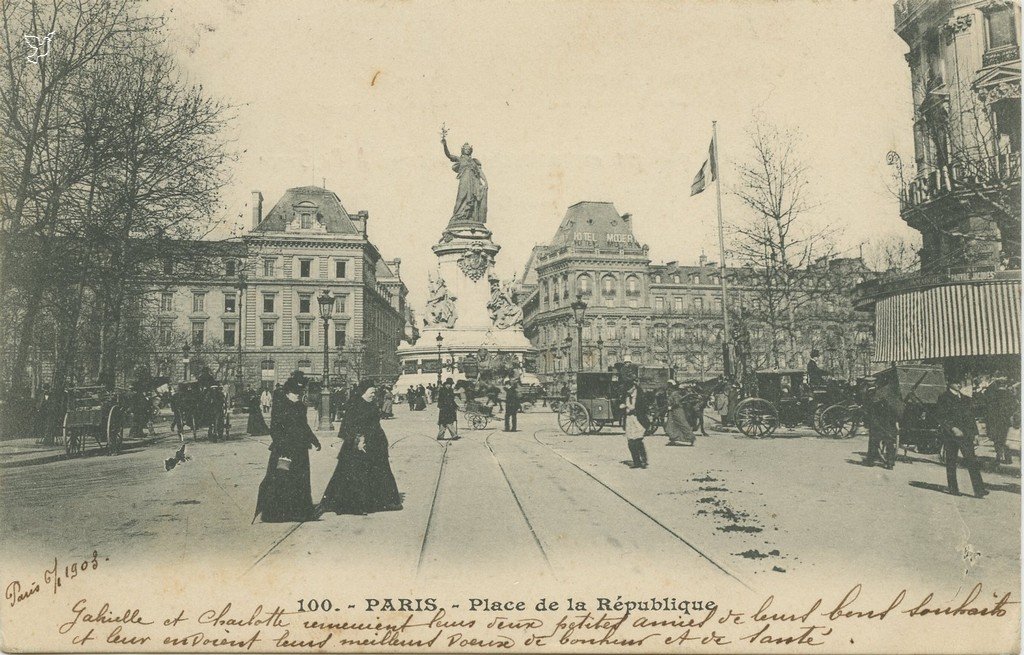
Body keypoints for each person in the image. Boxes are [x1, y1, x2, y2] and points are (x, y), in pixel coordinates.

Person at [319, 381, 402, 515]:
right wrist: (357, 439)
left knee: (379, 471)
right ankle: (354, 503)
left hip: (375, 443)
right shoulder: (355, 406)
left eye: (374, 393)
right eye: (371, 392)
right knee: (354, 473)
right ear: (363, 392)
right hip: (357, 444)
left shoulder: (372, 405)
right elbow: (349, 425)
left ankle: (380, 501)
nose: (373, 395)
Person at [253, 373, 322, 523]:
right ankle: (276, 513)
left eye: (301, 393)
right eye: (296, 393)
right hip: (284, 450)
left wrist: (314, 440)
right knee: (281, 479)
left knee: (300, 479)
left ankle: (299, 512)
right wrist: (282, 445)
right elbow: (275, 429)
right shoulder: (280, 405)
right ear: (288, 392)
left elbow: (304, 426)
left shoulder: (300, 406)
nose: (299, 396)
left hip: (300, 449)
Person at [935, 378, 987, 498]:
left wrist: (975, 434)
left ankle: (979, 490)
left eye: (960, 382)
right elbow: (941, 416)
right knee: (951, 461)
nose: (959, 384)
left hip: (966, 435)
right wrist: (952, 428)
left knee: (972, 461)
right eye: (956, 382)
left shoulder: (965, 399)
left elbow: (970, 418)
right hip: (951, 435)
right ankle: (953, 488)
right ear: (949, 383)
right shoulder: (943, 398)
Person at [982, 374, 1016, 466]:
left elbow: (987, 404)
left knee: (996, 438)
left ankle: (999, 456)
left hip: (995, 420)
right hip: (1004, 420)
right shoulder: (1009, 394)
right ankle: (1006, 457)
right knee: (1003, 438)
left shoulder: (993, 393)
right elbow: (1013, 407)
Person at [621, 382, 649, 468]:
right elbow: (620, 404)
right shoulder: (626, 395)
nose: (627, 391)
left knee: (638, 441)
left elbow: (644, 407)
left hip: (638, 420)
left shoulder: (640, 395)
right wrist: (622, 407)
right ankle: (636, 462)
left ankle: (643, 461)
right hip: (629, 420)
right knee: (631, 443)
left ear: (633, 387)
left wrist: (634, 409)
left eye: (629, 389)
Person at [664, 381, 695, 446]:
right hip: (674, 411)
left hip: (676, 410)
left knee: (681, 424)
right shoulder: (674, 393)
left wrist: (671, 407)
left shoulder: (674, 393)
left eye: (669, 385)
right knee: (672, 425)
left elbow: (677, 403)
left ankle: (689, 438)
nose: (668, 387)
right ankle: (675, 440)